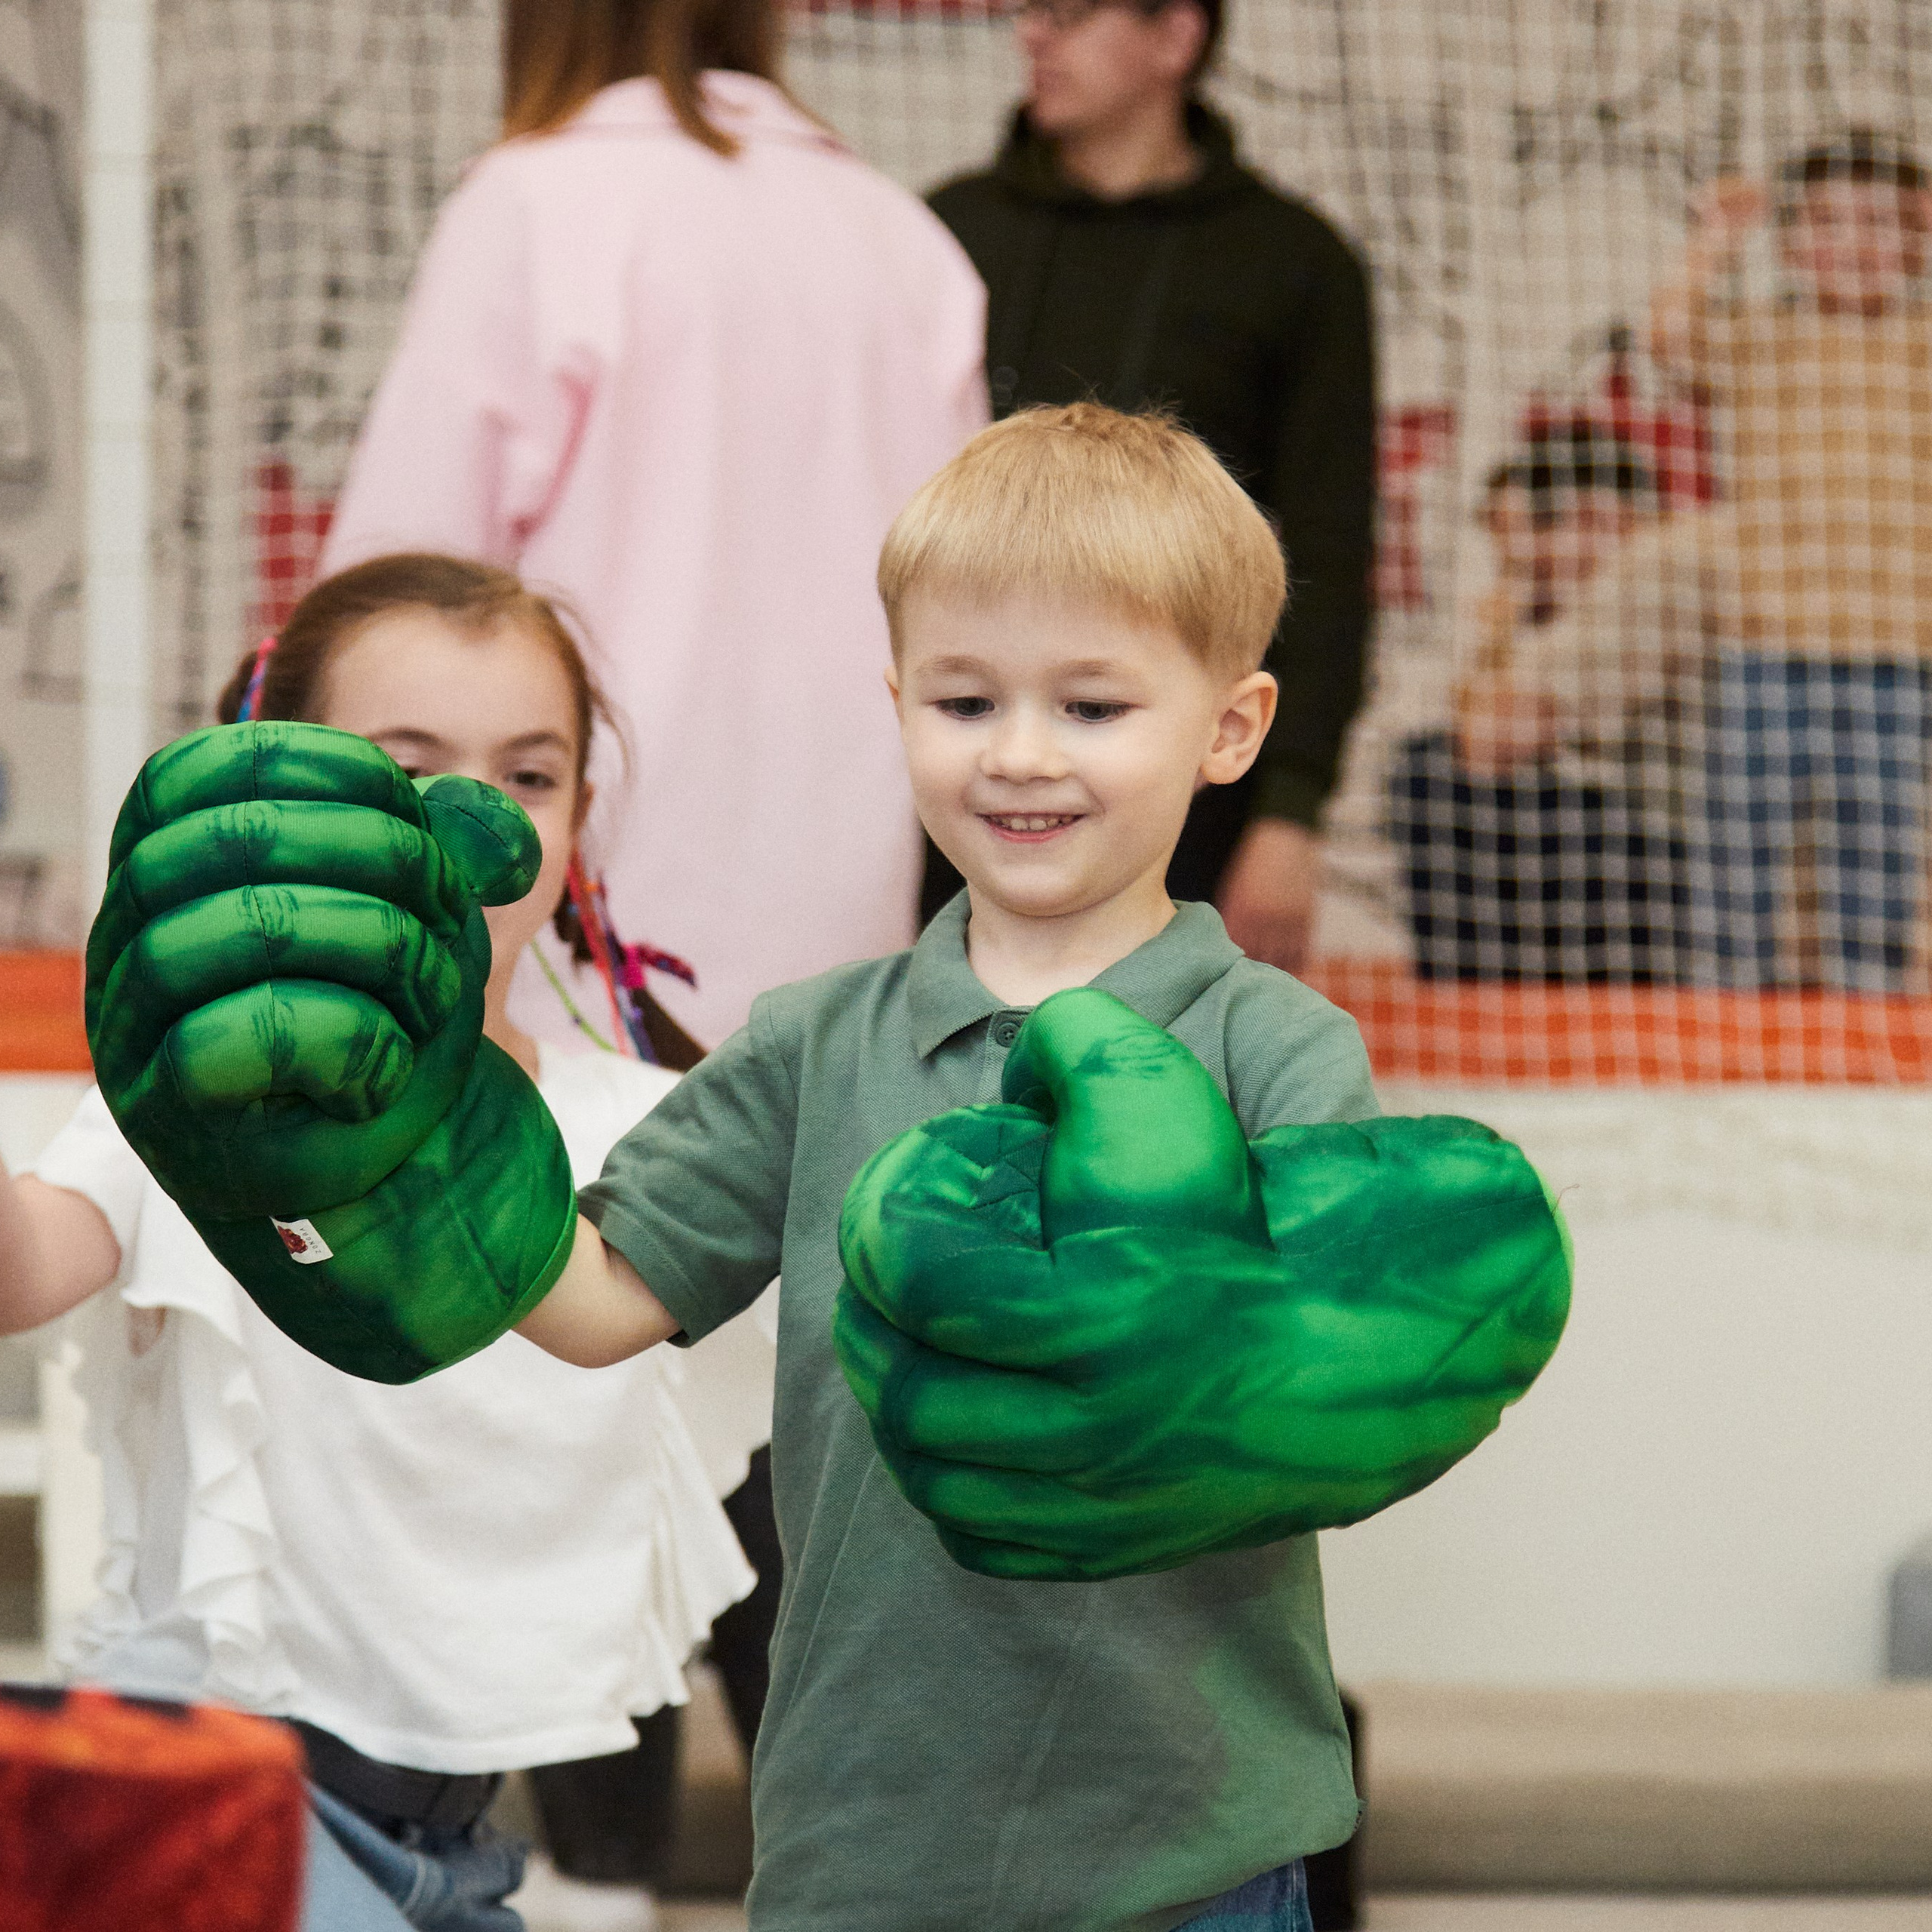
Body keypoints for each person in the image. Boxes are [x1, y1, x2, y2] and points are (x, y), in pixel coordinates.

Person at [87, 405, 1568, 1932]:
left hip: (1191, 1838)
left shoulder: (1273, 1042)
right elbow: (597, 1296)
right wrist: (379, 1159)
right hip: (860, 1840)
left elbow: (1347, 1376)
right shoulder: (814, 1037)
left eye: (1092, 704)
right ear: (897, 699)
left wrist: (1223, 1372)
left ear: (1228, 726)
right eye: (964, 696)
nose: (1018, 753)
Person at [0, 554, 758, 1932]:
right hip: (220, 1812)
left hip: (464, 1844)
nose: (469, 822)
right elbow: (29, 1262)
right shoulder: (213, 1094)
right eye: (405, 770)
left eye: (530, 775)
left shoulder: (647, 1124)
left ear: (580, 817)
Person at [319, 0, 989, 1049]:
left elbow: (383, 615)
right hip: (845, 947)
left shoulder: (537, 204)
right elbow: (972, 613)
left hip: (564, 949)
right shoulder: (903, 241)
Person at [923, 0, 1377, 974]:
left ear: (1176, 38)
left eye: (1067, 13)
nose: (1032, 36)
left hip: (1186, 811)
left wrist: (1291, 811)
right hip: (959, 791)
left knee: (1160, 1092)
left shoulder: (1295, 265)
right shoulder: (947, 236)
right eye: (1025, 11)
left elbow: (1330, 557)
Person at [1510, 131, 1932, 989]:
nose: (1856, 245)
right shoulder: (1761, 337)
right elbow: (1668, 338)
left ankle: (1868, 1007)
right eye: (1830, 223)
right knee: (1742, 838)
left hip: (1902, 650)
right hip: (1768, 642)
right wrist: (1716, 239)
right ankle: (1722, 1002)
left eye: (1884, 226)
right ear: (1792, 242)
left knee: (1879, 848)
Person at [1392, 423, 1688, 983]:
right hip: (1622, 836)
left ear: (1602, 519)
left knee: (1431, 773)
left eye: (1531, 534)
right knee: (1429, 761)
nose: (1523, 559)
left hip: (1660, 851)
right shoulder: (1564, 614)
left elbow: (1487, 741)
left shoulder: (1647, 581)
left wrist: (1502, 634)